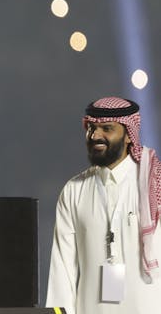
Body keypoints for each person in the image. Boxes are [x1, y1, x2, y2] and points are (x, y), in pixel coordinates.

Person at [46, 96, 161, 313]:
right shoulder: (74, 190)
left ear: (129, 135)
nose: (95, 135)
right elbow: (62, 271)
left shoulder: (155, 183)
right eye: (91, 128)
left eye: (107, 128)